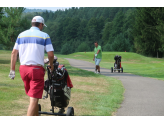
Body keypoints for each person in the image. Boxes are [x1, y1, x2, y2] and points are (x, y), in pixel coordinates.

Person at [9, 16, 54, 116]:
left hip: (23, 70)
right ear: (41, 24)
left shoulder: (21, 35)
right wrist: (51, 65)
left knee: (32, 98)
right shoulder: (44, 35)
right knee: (34, 100)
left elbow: (14, 53)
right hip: (36, 70)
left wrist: (12, 70)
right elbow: (50, 54)